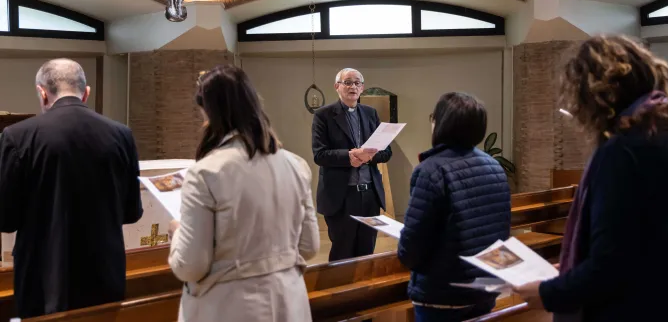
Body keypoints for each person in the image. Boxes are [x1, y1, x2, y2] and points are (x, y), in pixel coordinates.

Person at [514, 35, 668, 322]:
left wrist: (548, 293)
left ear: (593, 96)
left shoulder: (623, 151)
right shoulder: (664, 134)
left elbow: (610, 266)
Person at [168, 65, 320, 322]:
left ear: (209, 112)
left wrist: (178, 231)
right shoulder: (295, 165)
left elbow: (191, 266)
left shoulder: (206, 172)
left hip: (231, 305)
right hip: (288, 301)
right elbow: (309, 247)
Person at [0, 58, 143, 318]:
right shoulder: (121, 134)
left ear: (42, 93)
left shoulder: (18, 136)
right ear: (86, 93)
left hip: (43, 279)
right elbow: (132, 212)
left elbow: (6, 218)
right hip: (104, 274)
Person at [398, 92, 511, 322]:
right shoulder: (494, 167)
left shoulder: (431, 170)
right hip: (485, 287)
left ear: (441, 123)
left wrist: (405, 252)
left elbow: (411, 247)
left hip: (443, 294)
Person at [312, 68, 392, 261]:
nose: (353, 87)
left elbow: (387, 152)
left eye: (357, 83)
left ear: (362, 88)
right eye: (348, 82)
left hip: (369, 195)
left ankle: (364, 291)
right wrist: (350, 156)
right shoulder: (323, 115)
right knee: (342, 253)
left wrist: (368, 157)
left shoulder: (370, 113)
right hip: (341, 196)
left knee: (366, 252)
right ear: (337, 86)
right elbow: (320, 155)